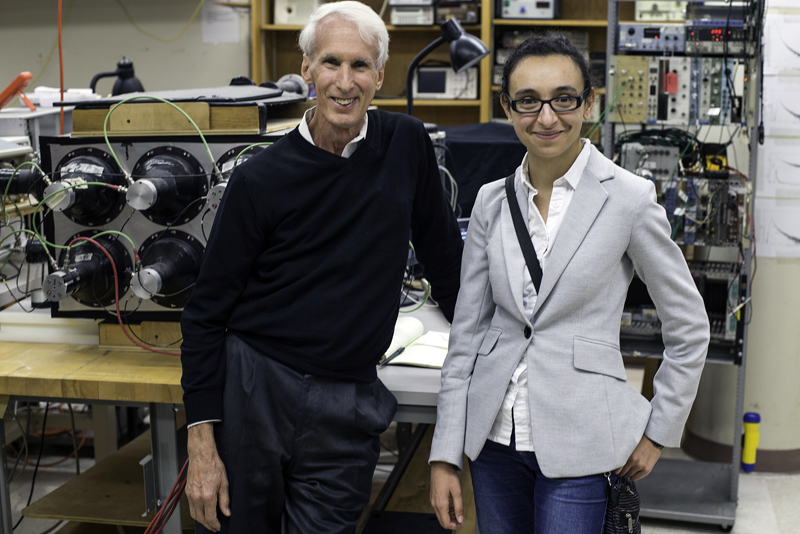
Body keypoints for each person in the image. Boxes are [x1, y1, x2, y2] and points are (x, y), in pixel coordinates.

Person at [179, 2, 464, 532]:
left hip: (348, 395)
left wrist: (497, 349)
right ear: (306, 68)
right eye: (331, 63)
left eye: (360, 66)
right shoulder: (259, 181)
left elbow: (447, 265)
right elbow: (205, 314)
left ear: (380, 75)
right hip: (255, 385)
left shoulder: (405, 145)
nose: (344, 82)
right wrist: (201, 442)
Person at [429, 34, 710, 533]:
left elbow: (689, 327)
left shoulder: (628, 198)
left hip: (582, 440)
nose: (547, 117)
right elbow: (466, 336)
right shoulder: (491, 202)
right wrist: (445, 453)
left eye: (564, 99)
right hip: (493, 437)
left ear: (589, 102)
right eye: (528, 101)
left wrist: (658, 431)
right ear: (508, 108)